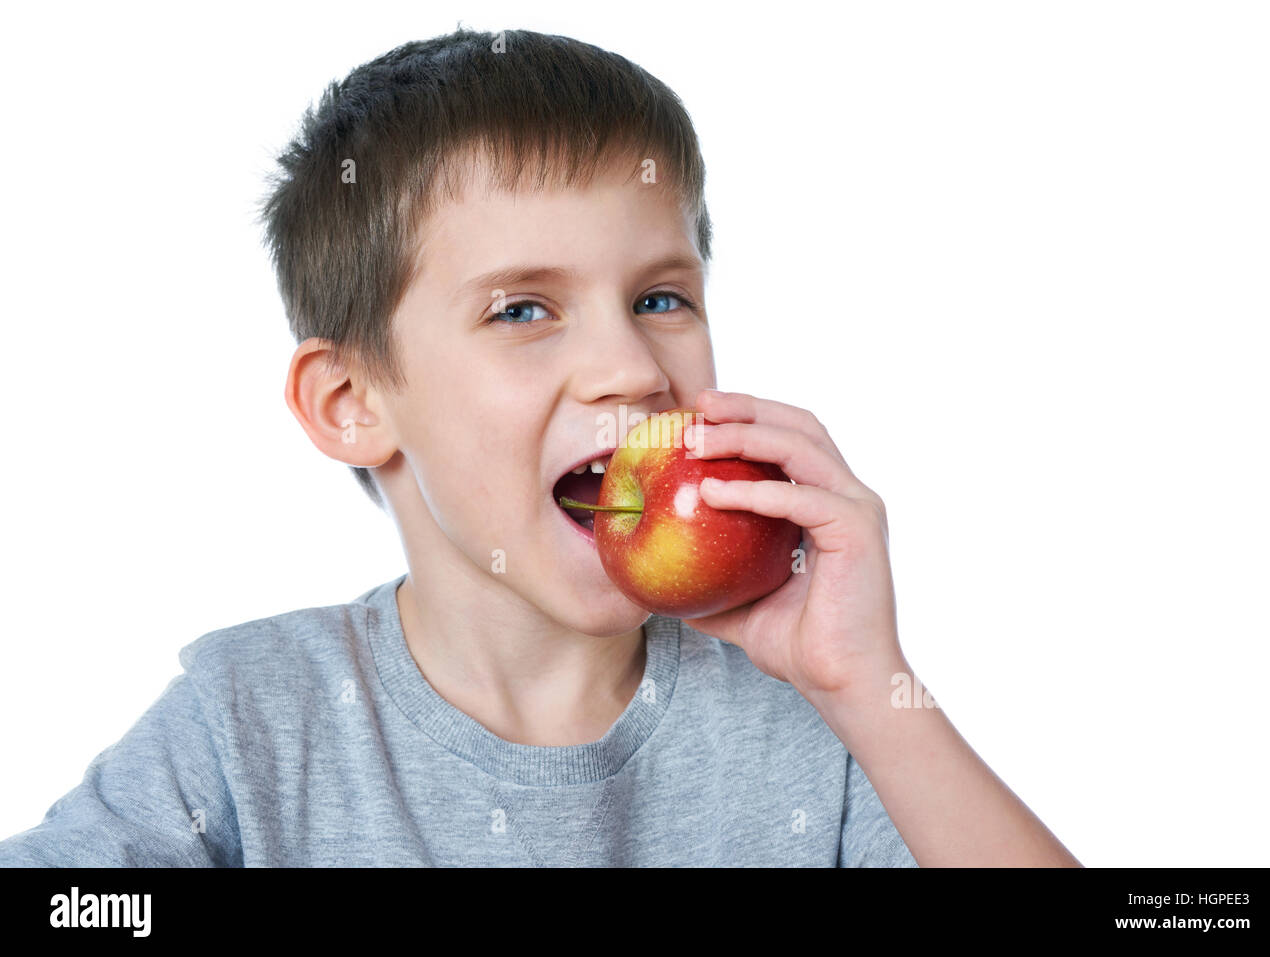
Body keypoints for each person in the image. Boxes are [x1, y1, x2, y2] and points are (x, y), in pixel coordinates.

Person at [0, 27, 1079, 867]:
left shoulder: (805, 723)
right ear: (350, 402)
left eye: (660, 297)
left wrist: (869, 685)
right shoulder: (250, 722)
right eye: (522, 310)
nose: (632, 367)